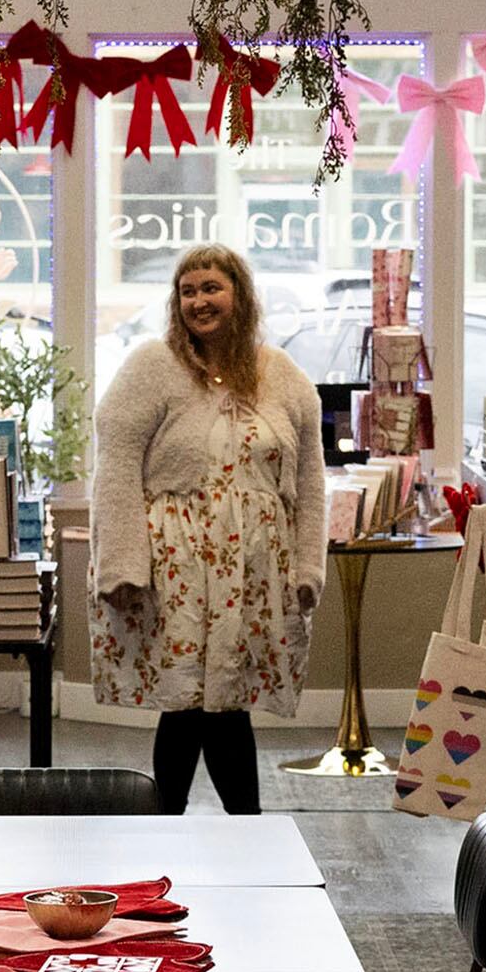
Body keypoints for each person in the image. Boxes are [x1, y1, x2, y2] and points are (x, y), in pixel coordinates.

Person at [89, 244, 327, 814]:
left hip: (251, 570)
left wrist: (307, 564)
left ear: (240, 295)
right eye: (188, 290)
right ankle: (219, 828)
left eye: (211, 288)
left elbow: (310, 481)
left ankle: (199, 830)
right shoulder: (153, 366)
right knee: (192, 703)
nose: (199, 300)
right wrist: (122, 563)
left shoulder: (281, 375)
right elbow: (116, 462)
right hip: (177, 567)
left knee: (226, 700)